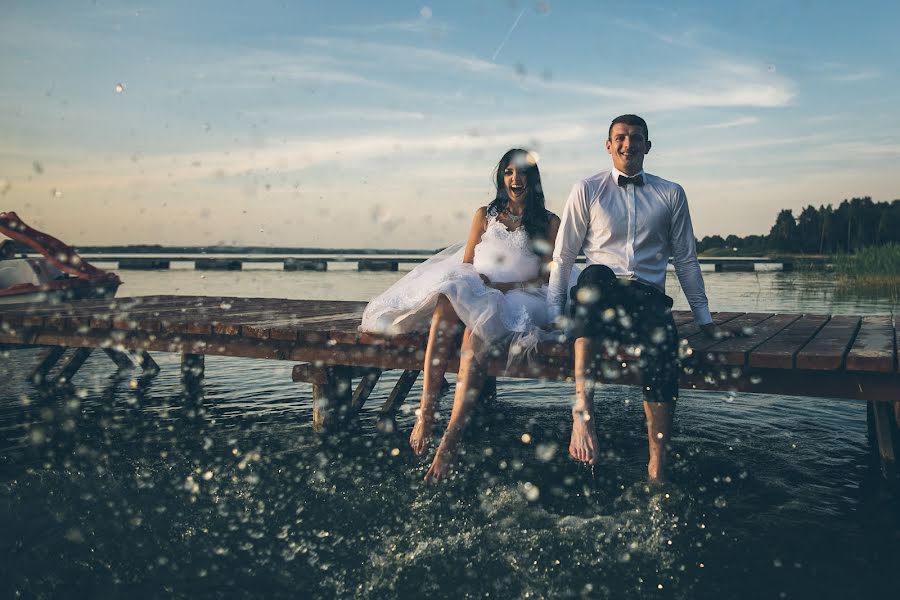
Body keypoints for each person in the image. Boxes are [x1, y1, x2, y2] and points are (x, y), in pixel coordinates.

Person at [360, 148, 561, 482]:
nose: (516, 179)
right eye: (509, 173)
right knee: (447, 298)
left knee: (474, 332)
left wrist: (506, 286)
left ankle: (450, 441)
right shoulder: (485, 214)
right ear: (502, 178)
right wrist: (477, 284)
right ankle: (426, 409)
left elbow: (547, 275)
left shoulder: (549, 222)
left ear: (533, 179)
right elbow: (467, 261)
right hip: (480, 285)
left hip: (523, 295)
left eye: (522, 173)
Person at [547, 114, 717, 482]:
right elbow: (563, 256)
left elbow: (686, 258)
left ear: (648, 146)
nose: (628, 144)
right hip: (600, 297)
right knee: (593, 275)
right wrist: (554, 312)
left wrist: (704, 320)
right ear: (608, 145)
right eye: (620, 138)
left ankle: (657, 462)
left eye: (636, 138)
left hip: (647, 298)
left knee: (663, 345)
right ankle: (582, 414)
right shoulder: (587, 189)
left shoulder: (671, 193)